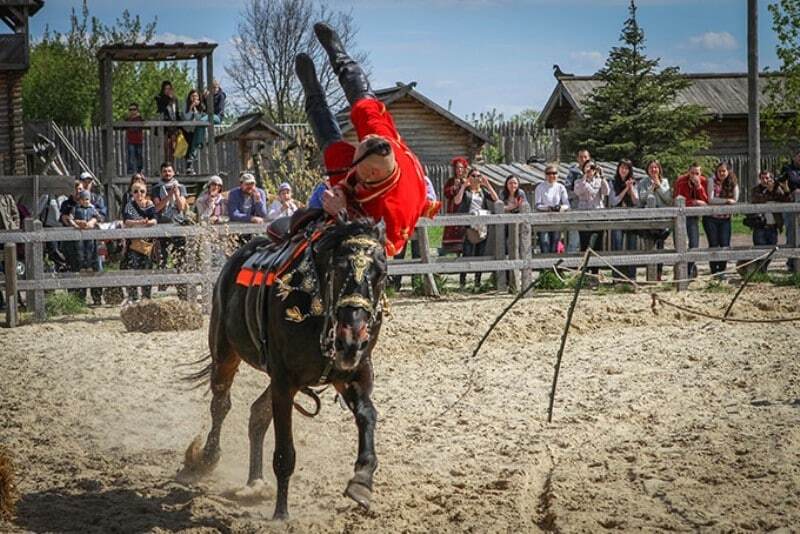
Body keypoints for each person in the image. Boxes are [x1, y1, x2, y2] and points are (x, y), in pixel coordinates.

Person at [294, 23, 437, 258]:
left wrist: (341, 212)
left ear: (368, 174)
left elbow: (377, 247)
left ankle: (313, 93)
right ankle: (339, 54)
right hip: (386, 159)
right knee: (365, 105)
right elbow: (369, 141)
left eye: (357, 169)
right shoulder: (382, 142)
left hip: (371, 208)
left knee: (332, 147)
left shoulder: (393, 212)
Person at [454, 167, 499, 289]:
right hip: (469, 225)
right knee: (467, 254)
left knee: (480, 253)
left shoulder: (483, 192)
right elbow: (457, 201)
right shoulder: (466, 192)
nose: (476, 178)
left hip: (482, 225)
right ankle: (462, 282)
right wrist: (464, 186)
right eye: (473, 176)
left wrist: (488, 185)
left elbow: (496, 199)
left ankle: (477, 282)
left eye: (478, 176)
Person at [151, 162, 188, 297]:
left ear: (173, 173)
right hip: (162, 225)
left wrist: (176, 194)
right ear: (161, 173)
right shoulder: (156, 188)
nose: (167, 173)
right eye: (165, 171)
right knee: (162, 257)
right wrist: (168, 195)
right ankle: (162, 284)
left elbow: (182, 207)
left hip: (177, 225)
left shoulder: (181, 187)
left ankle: (181, 286)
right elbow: (157, 208)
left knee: (180, 256)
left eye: (169, 171)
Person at [61, 189, 102, 305]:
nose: (86, 202)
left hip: (90, 237)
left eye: (87, 199)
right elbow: (70, 218)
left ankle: (88, 264)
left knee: (90, 251)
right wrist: (76, 224)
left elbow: (99, 217)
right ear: (79, 200)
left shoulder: (92, 208)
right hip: (79, 236)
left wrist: (92, 222)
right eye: (84, 199)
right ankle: (79, 298)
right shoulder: (76, 208)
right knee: (79, 252)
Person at [749, 170, 792, 272]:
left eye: (767, 178)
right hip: (760, 226)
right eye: (763, 178)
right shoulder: (756, 190)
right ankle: (760, 272)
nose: (765, 180)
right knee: (760, 251)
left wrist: (785, 189)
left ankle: (763, 270)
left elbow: (788, 200)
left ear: (771, 179)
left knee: (771, 251)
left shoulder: (777, 189)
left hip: (773, 226)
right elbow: (757, 200)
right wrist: (769, 191)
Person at [122, 182, 157, 301]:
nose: (139, 194)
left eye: (142, 191)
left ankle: (146, 297)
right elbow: (126, 221)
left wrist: (147, 222)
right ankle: (133, 297)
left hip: (147, 242)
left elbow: (154, 220)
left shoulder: (149, 204)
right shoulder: (129, 206)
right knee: (132, 269)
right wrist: (139, 222)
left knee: (147, 268)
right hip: (133, 242)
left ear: (146, 192)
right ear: (132, 193)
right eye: (136, 191)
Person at [636, 159, 672, 279]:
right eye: (651, 167)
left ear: (659, 169)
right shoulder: (642, 182)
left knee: (660, 246)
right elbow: (641, 199)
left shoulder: (665, 182)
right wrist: (651, 188)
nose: (653, 169)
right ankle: (650, 274)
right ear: (647, 170)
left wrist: (659, 186)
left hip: (662, 219)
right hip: (649, 219)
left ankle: (659, 274)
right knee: (650, 246)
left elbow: (667, 198)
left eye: (656, 167)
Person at [574, 159, 609, 278]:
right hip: (584, 215)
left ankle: (595, 272)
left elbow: (606, 191)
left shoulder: (600, 180)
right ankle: (586, 272)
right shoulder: (579, 181)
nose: (590, 171)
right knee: (584, 244)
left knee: (597, 244)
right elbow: (578, 192)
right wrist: (585, 177)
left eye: (592, 168)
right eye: (588, 168)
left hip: (597, 215)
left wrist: (602, 176)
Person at [703, 161, 739, 274]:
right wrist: (726, 201)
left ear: (728, 171)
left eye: (724, 171)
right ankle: (714, 270)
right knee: (713, 244)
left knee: (725, 244)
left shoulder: (733, 182)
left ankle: (722, 271)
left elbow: (735, 199)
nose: (721, 173)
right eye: (719, 171)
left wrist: (728, 201)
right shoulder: (711, 181)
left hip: (725, 218)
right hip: (711, 218)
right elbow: (711, 199)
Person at [674, 162, 709, 278]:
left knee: (694, 244)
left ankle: (690, 269)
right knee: (680, 244)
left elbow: (706, 201)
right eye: (692, 173)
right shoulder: (681, 181)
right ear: (688, 172)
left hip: (694, 217)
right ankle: (681, 272)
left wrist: (699, 187)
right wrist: (694, 202)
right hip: (681, 216)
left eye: (697, 173)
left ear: (701, 173)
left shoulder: (704, 181)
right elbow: (678, 199)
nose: (694, 175)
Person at [608, 159, 638, 281]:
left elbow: (636, 201)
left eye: (626, 168)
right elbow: (613, 201)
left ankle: (631, 275)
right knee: (617, 245)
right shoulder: (612, 182)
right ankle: (617, 276)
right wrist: (625, 189)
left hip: (630, 217)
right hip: (617, 217)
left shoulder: (634, 182)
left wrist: (630, 188)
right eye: (622, 168)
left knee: (632, 245)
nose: (624, 170)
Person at [534, 163, 570, 254]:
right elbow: (538, 205)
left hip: (557, 219)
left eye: (554, 173)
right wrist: (548, 208)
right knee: (544, 242)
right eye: (549, 173)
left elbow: (567, 204)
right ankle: (544, 265)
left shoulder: (561, 187)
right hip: (543, 219)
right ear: (545, 175)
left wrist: (560, 207)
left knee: (555, 242)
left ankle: (553, 266)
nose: (552, 175)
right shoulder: (540, 187)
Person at [565, 149, 591, 253]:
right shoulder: (572, 173)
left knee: (589, 238)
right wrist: (578, 193)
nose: (583, 159)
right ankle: (571, 264)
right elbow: (566, 191)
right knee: (574, 238)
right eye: (581, 157)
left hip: (590, 209)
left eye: (585, 157)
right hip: (576, 208)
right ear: (577, 159)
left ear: (589, 158)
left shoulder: (594, 172)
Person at [442, 156, 470, 255]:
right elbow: (446, 193)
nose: (459, 170)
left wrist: (464, 185)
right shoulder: (450, 181)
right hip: (453, 209)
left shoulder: (467, 181)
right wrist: (454, 187)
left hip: (464, 209)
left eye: (461, 168)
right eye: (457, 167)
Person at [778, 149, 800, 269]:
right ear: (794, 157)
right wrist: (789, 191)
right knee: (792, 234)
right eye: (798, 156)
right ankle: (791, 262)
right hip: (791, 204)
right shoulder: (787, 169)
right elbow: (780, 182)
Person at [155, 80, 181, 163]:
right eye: (166, 89)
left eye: (169, 88)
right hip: (164, 127)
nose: (168, 90)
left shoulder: (175, 99)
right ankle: (165, 165)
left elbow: (177, 112)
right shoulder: (159, 98)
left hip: (174, 126)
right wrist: (168, 99)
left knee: (173, 148)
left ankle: (172, 167)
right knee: (165, 147)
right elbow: (161, 109)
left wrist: (179, 126)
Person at [183, 89, 205, 175]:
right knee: (189, 147)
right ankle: (189, 167)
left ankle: (190, 167)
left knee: (194, 147)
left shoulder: (201, 106)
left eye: (196, 96)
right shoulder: (186, 105)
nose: (194, 98)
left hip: (196, 129)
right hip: (187, 129)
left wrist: (196, 110)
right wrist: (191, 107)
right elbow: (186, 117)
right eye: (192, 96)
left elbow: (200, 119)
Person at [125, 102, 144, 174]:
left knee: (139, 156)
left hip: (138, 140)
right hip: (130, 141)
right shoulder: (128, 119)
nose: (132, 111)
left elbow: (140, 126)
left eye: (134, 109)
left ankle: (139, 170)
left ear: (137, 110)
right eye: (130, 109)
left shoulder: (140, 118)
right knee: (131, 156)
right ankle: (131, 171)